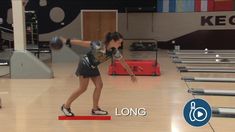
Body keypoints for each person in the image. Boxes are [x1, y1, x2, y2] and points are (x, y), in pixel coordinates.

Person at [60, 32, 137, 116]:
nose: (120, 44)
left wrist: (132, 75)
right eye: (119, 42)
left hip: (93, 66)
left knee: (99, 85)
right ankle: (65, 106)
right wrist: (67, 41)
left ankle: (95, 109)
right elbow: (82, 43)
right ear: (112, 41)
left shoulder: (114, 51)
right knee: (82, 88)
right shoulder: (99, 45)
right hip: (85, 64)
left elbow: (123, 63)